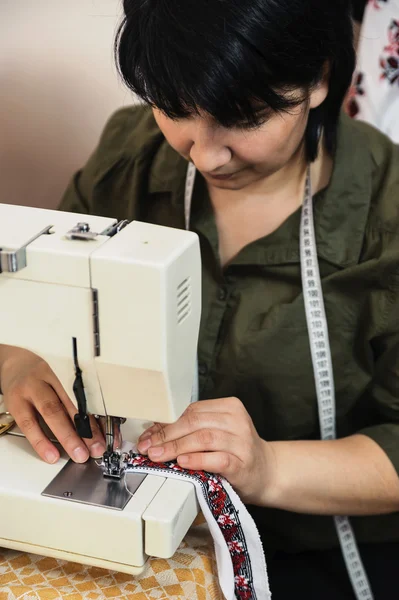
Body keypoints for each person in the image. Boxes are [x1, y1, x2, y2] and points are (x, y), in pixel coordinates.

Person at [1, 1, 399, 598]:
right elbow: (38, 297)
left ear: (318, 79)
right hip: (168, 539)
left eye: (246, 116)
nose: (206, 154)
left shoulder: (387, 212)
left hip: (317, 551)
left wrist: (268, 468)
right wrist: (16, 358)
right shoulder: (130, 153)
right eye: (177, 109)